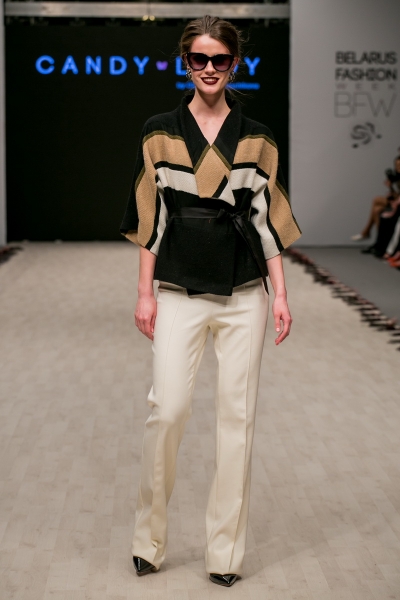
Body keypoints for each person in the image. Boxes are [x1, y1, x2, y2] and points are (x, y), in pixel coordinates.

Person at [120, 15, 301, 587]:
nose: (209, 69)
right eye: (198, 59)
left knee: (237, 419)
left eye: (219, 59)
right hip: (179, 285)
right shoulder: (159, 132)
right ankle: (149, 538)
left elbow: (267, 219)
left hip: (244, 288)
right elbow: (151, 218)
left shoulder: (258, 137)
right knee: (167, 409)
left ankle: (225, 555)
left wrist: (281, 293)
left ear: (234, 64)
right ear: (185, 62)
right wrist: (144, 293)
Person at [351, 154, 400, 242]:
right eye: (396, 165)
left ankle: (367, 233)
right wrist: (390, 187)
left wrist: (393, 192)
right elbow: (396, 195)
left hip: (398, 205)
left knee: (376, 200)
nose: (398, 168)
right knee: (377, 210)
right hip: (395, 202)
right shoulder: (396, 177)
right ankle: (380, 240)